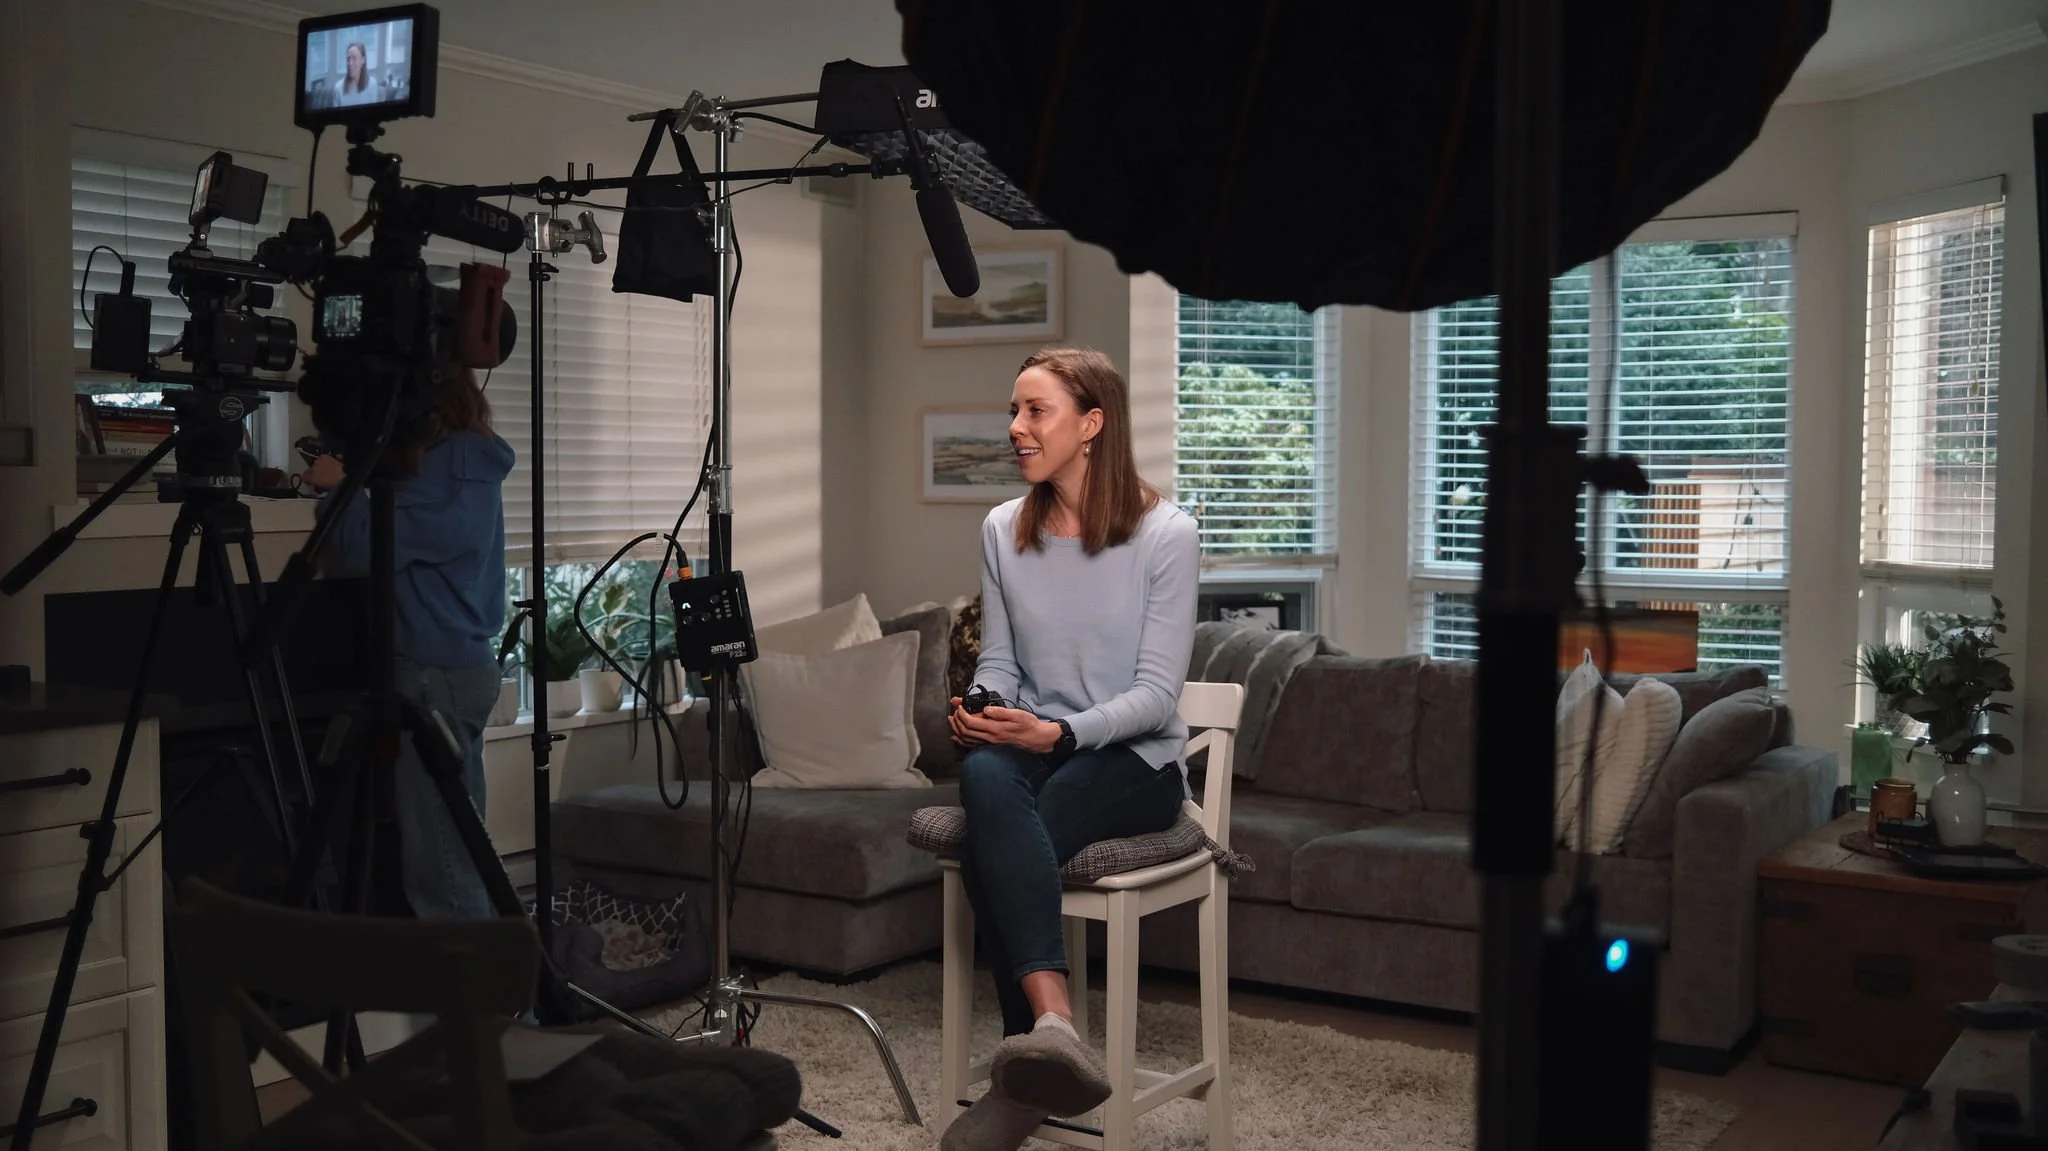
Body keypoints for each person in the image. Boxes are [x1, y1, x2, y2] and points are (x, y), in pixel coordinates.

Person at [942, 347, 1198, 1151]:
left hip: (1138, 763)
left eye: (1035, 411)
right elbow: (1002, 662)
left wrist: (1057, 731)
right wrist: (987, 709)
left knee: (1005, 834)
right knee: (985, 769)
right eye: (1013, 411)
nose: (1016, 428)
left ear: (1092, 425)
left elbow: (1157, 696)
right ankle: (1053, 1028)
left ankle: (1023, 1080)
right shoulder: (1001, 528)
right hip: (1043, 742)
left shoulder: (1166, 534)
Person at [304, 364, 515, 919]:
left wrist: (338, 485)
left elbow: (354, 550)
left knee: (443, 868)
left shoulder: (444, 469)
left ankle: (484, 1005)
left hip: (431, 671)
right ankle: (502, 1000)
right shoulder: (471, 464)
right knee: (464, 851)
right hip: (458, 666)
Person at [331, 41, 380, 107]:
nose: (350, 63)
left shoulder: (372, 84)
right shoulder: (338, 88)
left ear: (363, 60)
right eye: (348, 59)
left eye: (354, 58)